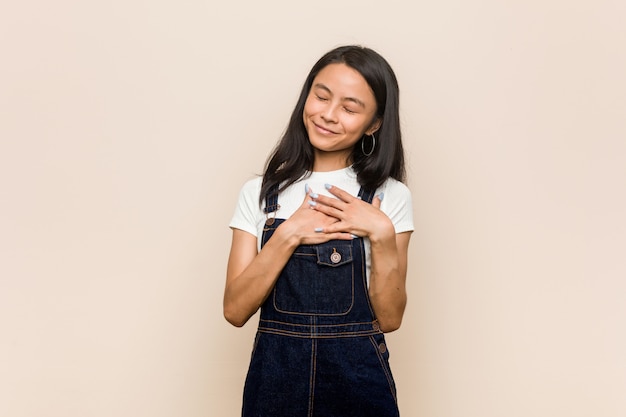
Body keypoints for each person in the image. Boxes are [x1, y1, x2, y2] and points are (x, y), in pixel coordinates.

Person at [224, 45, 414, 417]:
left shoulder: (389, 196)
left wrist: (382, 233)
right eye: (321, 96)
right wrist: (289, 233)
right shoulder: (261, 193)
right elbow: (234, 309)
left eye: (349, 107)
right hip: (275, 380)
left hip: (358, 382)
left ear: (374, 123)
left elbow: (389, 319)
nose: (327, 115)